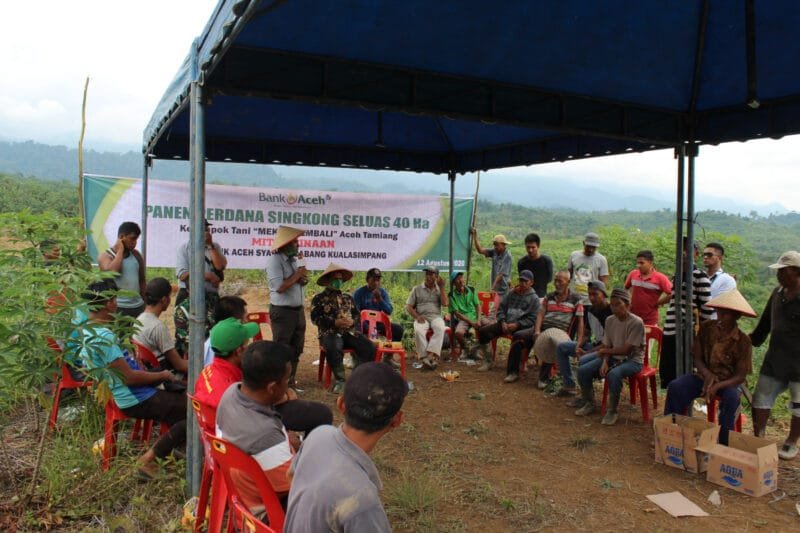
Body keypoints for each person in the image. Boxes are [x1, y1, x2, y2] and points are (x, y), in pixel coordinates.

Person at [76, 279, 186, 479]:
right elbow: (129, 378)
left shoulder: (88, 330)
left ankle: (172, 448)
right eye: (114, 299)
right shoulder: (103, 337)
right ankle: (147, 461)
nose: (116, 303)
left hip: (127, 393)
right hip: (135, 397)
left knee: (180, 398)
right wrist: (161, 375)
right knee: (193, 411)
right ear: (109, 303)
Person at [285, 362, 408, 533]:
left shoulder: (318, 435)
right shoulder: (362, 501)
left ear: (341, 404)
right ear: (397, 420)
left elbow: (291, 476)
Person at [196, 318, 333, 433]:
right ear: (238, 351)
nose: (250, 347)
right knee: (322, 414)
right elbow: (255, 404)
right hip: (246, 429)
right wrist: (285, 397)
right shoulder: (227, 387)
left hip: (228, 428)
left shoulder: (209, 371)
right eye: (247, 343)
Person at [665, 289, 754, 445]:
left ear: (737, 316)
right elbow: (697, 357)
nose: (721, 316)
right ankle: (671, 431)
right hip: (703, 376)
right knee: (676, 387)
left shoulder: (743, 341)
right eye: (719, 311)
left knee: (731, 399)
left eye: (726, 314)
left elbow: (740, 376)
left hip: (728, 382)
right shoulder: (707, 327)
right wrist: (707, 375)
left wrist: (717, 385)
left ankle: (723, 443)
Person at [215, 341, 295, 515]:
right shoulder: (266, 435)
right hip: (269, 512)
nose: (288, 385)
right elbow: (294, 486)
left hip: (243, 491)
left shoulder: (231, 393)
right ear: (272, 388)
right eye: (287, 380)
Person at [750, 251, 800, 461]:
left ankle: (791, 441)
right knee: (760, 398)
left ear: (796, 272)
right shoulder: (777, 294)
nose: (778, 275)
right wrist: (750, 340)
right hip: (775, 358)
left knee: (798, 404)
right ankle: (759, 438)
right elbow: (765, 324)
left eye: (783, 271)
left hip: (799, 363)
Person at [574, 288, 645, 425]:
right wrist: (604, 361)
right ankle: (589, 402)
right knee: (583, 370)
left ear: (628, 305)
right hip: (613, 356)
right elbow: (607, 344)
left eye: (618, 304)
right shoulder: (610, 320)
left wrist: (604, 352)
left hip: (632, 360)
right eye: (612, 305)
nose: (614, 308)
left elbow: (626, 350)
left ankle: (612, 411)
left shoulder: (636, 322)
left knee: (613, 374)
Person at [310, 263, 376, 394]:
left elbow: (357, 316)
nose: (338, 281)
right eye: (335, 278)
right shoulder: (319, 298)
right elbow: (315, 318)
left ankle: (357, 378)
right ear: (328, 280)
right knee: (334, 346)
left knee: (369, 346)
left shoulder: (347, 298)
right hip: (329, 334)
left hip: (348, 333)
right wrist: (334, 323)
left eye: (340, 279)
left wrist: (352, 322)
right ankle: (340, 381)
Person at [658, 239, 713, 388]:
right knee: (670, 374)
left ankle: (682, 401)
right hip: (670, 330)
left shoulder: (700, 276)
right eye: (680, 249)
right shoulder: (677, 275)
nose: (683, 252)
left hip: (685, 332)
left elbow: (707, 310)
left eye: (688, 249)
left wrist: (699, 334)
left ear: (696, 254)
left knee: (683, 374)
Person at [471, 270, 539, 375]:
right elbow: (501, 309)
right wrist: (502, 322)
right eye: (521, 280)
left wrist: (517, 324)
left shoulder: (534, 298)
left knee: (519, 337)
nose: (523, 283)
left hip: (521, 327)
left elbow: (533, 318)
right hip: (505, 324)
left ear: (531, 282)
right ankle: (488, 361)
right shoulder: (511, 293)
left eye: (526, 281)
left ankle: (517, 365)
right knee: (483, 331)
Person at [265, 225, 308, 388]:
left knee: (297, 347)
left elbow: (299, 281)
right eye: (295, 242)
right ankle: (278, 383)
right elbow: (279, 287)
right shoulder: (274, 261)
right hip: (283, 312)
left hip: (298, 311)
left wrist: (302, 274)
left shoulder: (294, 260)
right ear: (286, 244)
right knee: (281, 349)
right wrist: (298, 275)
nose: (298, 244)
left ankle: (290, 382)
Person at [554, 280, 613, 397]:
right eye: (589, 294)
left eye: (595, 294)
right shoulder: (591, 310)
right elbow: (586, 334)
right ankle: (569, 386)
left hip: (606, 351)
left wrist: (588, 353)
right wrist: (578, 346)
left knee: (583, 361)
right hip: (594, 346)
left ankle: (587, 397)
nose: (591, 298)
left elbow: (610, 343)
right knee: (562, 347)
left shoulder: (612, 312)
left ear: (604, 294)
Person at [530, 269, 584, 389]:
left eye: (560, 281)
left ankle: (544, 378)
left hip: (559, 332)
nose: (557, 284)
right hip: (544, 328)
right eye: (555, 281)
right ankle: (515, 370)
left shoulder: (576, 298)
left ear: (568, 282)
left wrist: (579, 341)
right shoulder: (549, 296)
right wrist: (537, 330)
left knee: (549, 341)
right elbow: (540, 314)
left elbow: (580, 322)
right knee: (520, 335)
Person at [133, 277, 187, 375]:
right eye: (169, 296)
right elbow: (180, 365)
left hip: (146, 369)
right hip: (161, 374)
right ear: (164, 299)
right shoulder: (158, 327)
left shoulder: (138, 320)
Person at [97, 221, 145, 318]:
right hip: (118, 308)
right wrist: (120, 251)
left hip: (138, 306)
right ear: (121, 237)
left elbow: (142, 280)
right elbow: (112, 273)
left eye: (136, 239)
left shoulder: (136, 255)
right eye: (132, 239)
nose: (135, 243)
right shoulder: (106, 256)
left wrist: (145, 303)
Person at [175, 219, 227, 307]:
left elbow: (220, 266)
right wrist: (209, 276)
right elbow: (182, 274)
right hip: (189, 294)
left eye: (207, 229)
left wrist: (210, 245)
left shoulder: (215, 246)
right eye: (203, 229)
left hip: (211, 294)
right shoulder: (184, 248)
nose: (206, 232)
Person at [405, 266, 448, 370]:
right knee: (418, 331)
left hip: (436, 317)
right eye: (427, 274)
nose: (428, 276)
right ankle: (424, 357)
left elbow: (445, 303)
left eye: (431, 274)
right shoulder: (417, 289)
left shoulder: (439, 289)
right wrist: (417, 316)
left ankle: (430, 355)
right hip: (422, 317)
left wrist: (442, 288)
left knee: (440, 328)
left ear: (437, 277)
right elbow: (408, 306)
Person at [352, 267, 404, 342]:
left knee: (399, 330)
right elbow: (356, 313)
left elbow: (389, 311)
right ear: (367, 280)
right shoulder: (359, 293)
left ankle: (388, 348)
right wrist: (369, 328)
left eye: (378, 280)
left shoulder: (382, 292)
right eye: (373, 280)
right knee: (363, 329)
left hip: (378, 324)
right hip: (364, 324)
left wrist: (380, 299)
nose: (376, 283)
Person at [624, 250, 672, 325]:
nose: (639, 265)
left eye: (641, 263)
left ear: (650, 263)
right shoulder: (633, 274)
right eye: (637, 263)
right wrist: (629, 301)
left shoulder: (660, 278)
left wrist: (658, 302)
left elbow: (673, 294)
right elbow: (626, 287)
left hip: (650, 319)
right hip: (632, 317)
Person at [567, 232, 609, 302]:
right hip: (573, 298)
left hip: (591, 300)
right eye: (589, 246)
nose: (591, 249)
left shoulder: (601, 259)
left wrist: (602, 298)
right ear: (583, 243)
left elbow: (603, 281)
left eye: (593, 247)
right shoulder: (574, 255)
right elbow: (568, 275)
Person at [470, 228, 513, 297]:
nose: (495, 247)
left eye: (497, 244)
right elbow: (480, 251)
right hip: (495, 289)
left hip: (503, 290)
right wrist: (475, 236)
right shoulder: (494, 252)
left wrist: (493, 288)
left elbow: (501, 274)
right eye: (494, 244)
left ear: (503, 245)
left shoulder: (507, 256)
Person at [448, 271, 480, 359]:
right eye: (458, 279)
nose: (461, 280)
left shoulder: (471, 289)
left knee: (488, 327)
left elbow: (478, 306)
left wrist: (478, 320)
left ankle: (479, 350)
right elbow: (457, 313)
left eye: (461, 278)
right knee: (458, 333)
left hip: (475, 316)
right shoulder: (452, 295)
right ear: (454, 283)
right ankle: (467, 350)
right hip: (464, 319)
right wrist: (471, 322)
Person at [704, 242, 737, 318]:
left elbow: (722, 306)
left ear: (720, 258)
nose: (705, 257)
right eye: (704, 254)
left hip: (712, 322)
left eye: (709, 255)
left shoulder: (727, 280)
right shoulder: (699, 276)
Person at [517, 232, 554, 298]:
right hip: (525, 297)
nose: (530, 250)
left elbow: (549, 279)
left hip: (541, 297)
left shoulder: (546, 261)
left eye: (533, 247)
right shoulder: (522, 262)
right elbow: (522, 281)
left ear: (538, 246)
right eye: (528, 247)